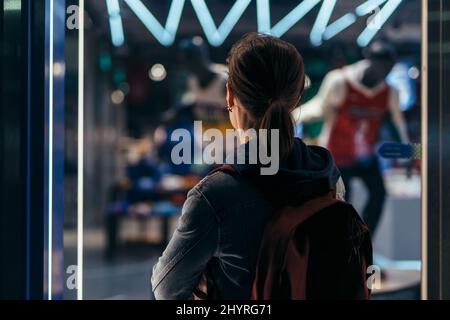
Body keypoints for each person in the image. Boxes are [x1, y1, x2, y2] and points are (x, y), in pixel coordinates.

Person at [151, 33, 344, 300]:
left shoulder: (214, 195)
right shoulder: (329, 174)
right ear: (297, 97)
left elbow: (166, 289)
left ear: (229, 95)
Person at [293, 40, 410, 236]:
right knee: (342, 203)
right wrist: (290, 117)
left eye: (388, 68)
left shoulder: (390, 92)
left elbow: (399, 123)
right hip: (337, 155)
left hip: (365, 156)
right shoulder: (340, 81)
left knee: (379, 194)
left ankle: (364, 240)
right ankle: (342, 247)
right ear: (370, 61)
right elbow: (319, 107)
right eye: (382, 66)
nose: (385, 72)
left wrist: (408, 154)